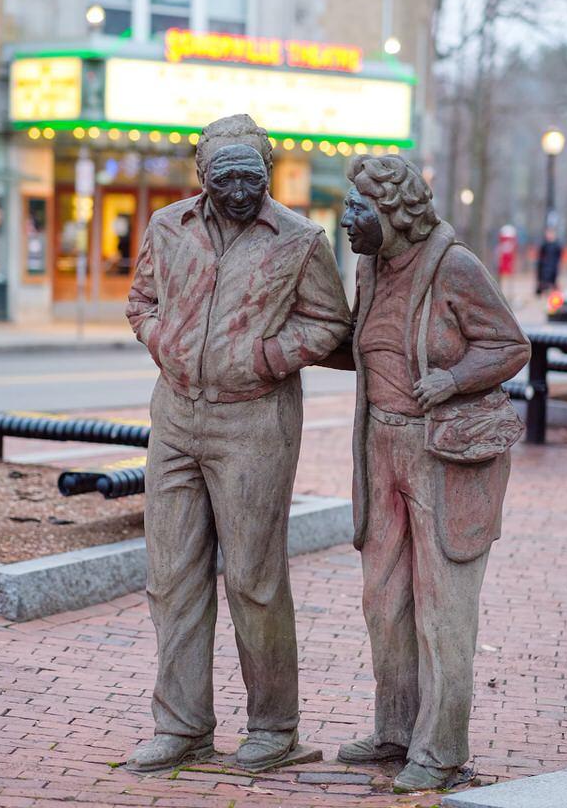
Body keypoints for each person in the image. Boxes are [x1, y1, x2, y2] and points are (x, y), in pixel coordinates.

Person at [124, 113, 352, 772]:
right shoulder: (168, 227)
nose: (239, 191)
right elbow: (141, 301)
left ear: (267, 174)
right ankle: (183, 726)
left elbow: (330, 319)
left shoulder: (300, 239)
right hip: (176, 420)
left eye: (250, 177)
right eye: (225, 178)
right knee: (170, 578)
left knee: (253, 579)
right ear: (204, 178)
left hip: (255, 423)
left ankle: (275, 729)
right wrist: (162, 340)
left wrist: (264, 357)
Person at [330, 154, 530, 792]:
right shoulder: (370, 265)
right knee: (384, 599)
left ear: (392, 213)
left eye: (358, 209)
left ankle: (441, 749)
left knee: (443, 608)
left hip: (440, 452)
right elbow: (367, 344)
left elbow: (509, 345)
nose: (346, 220)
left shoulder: (454, 266)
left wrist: (452, 377)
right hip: (381, 448)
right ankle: (395, 727)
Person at [536, 225, 563, 295]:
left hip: (553, 268)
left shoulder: (557, 245)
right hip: (544, 268)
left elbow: (559, 257)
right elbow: (540, 257)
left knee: (552, 285)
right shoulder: (544, 245)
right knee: (543, 285)